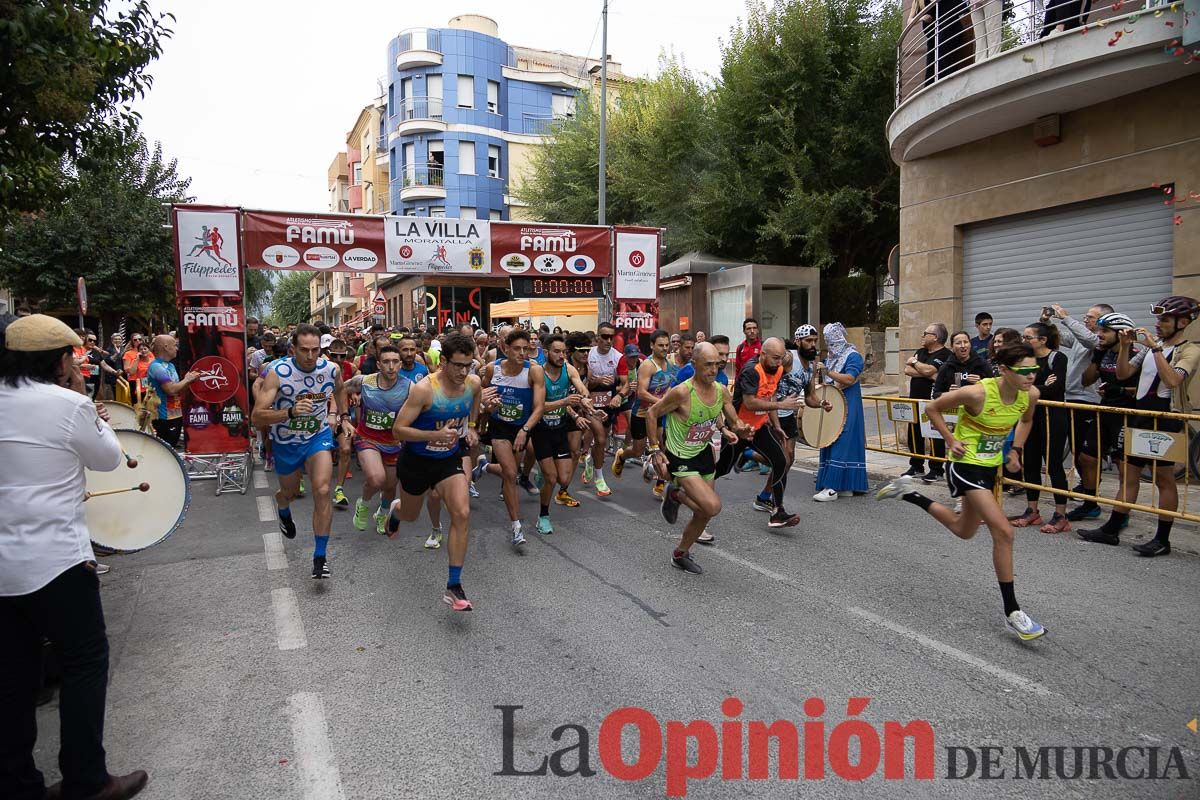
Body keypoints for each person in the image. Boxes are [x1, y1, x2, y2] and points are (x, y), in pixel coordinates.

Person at [0, 315, 149, 800]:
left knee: (13, 677)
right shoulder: (68, 404)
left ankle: (19, 784)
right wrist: (84, 399)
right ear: (64, 360)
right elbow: (108, 458)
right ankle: (87, 779)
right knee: (84, 663)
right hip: (56, 560)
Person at [876, 341, 1047, 641]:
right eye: (1024, 371)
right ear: (1004, 370)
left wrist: (1016, 449)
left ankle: (907, 493)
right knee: (1004, 531)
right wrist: (950, 440)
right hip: (964, 465)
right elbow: (932, 408)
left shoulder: (1030, 395)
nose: (1031, 376)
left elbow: (1027, 420)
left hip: (988, 468)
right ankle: (1012, 612)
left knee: (963, 530)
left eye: (1035, 369)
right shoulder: (978, 392)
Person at [1078, 296, 1200, 556]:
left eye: (1164, 320)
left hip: (1165, 417)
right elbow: (1123, 374)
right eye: (1158, 319)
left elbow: (1173, 381)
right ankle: (1111, 529)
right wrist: (1124, 347)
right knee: (1130, 475)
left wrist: (1156, 349)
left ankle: (1163, 539)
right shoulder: (1147, 348)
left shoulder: (1189, 350)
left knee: (1164, 479)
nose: (1158, 324)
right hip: (1139, 414)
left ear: (1183, 322)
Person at [385, 333, 490, 611]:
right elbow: (398, 430)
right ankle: (396, 511)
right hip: (416, 462)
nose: (463, 372)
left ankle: (453, 586)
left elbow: (477, 397)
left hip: (448, 460)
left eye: (468, 365)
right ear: (442, 361)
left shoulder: (473, 383)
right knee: (410, 514)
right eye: (457, 365)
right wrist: (434, 434)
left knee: (462, 512)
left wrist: (473, 427)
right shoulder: (424, 389)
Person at [251, 324, 351, 580]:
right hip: (286, 442)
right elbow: (257, 415)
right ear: (293, 348)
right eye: (304, 350)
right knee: (290, 493)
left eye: (315, 350)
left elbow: (340, 389)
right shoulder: (278, 372)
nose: (310, 356)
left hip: (317, 437)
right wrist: (290, 412)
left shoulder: (330, 369)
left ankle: (320, 557)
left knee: (323, 490)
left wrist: (343, 415)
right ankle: (283, 508)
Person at [648, 342, 750, 574]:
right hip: (681, 456)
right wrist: (655, 449)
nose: (713, 370)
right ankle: (676, 493)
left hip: (703, 453)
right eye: (708, 365)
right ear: (694, 364)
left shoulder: (721, 390)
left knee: (703, 514)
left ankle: (680, 554)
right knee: (712, 506)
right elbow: (653, 413)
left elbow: (734, 420)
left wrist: (738, 429)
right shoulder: (682, 392)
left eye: (717, 365)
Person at [724, 337, 806, 528]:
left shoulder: (776, 370)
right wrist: (781, 404)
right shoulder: (751, 371)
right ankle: (683, 487)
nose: (779, 363)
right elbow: (750, 402)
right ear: (763, 354)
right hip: (739, 428)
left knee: (781, 461)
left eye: (781, 358)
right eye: (775, 358)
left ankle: (777, 512)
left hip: (759, 428)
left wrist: (776, 425)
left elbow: (769, 396)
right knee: (720, 469)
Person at [1069, 312, 1139, 522]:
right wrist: (1096, 358)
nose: (1099, 334)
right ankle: (1090, 504)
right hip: (1105, 412)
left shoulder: (1137, 353)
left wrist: (1120, 390)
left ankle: (1121, 513)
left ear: (1121, 334)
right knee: (1086, 457)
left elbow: (1143, 388)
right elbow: (1086, 380)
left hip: (1127, 416)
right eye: (1099, 330)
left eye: (1105, 331)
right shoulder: (1104, 353)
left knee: (1123, 466)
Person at [479, 328, 546, 546]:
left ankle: (485, 467)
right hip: (499, 428)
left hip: (521, 428)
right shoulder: (492, 369)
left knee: (512, 474)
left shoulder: (533, 371)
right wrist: (487, 405)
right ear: (504, 348)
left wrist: (525, 430)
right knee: (509, 473)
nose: (522, 353)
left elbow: (539, 407)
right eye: (516, 348)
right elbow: (480, 399)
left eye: (525, 349)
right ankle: (516, 526)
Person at [1007, 322, 1070, 533]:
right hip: (1030, 416)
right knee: (1031, 463)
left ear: (1042, 340)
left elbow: (1056, 389)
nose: (1024, 341)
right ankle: (1032, 510)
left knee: (1053, 465)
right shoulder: (1027, 360)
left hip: (1053, 418)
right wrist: (1039, 387)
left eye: (1028, 337)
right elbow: (1018, 386)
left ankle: (1061, 514)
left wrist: (1033, 388)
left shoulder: (1057, 358)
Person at [1047, 303, 1106, 514]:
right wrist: (1046, 322)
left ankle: (1091, 500)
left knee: (1086, 454)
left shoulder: (1098, 340)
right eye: (1086, 316)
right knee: (1077, 450)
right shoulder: (1081, 339)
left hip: (1087, 400)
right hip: (1070, 398)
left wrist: (1065, 317)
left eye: (1091, 317)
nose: (1085, 319)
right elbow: (1059, 339)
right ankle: (1088, 494)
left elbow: (1091, 340)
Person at [530, 334, 593, 535]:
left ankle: (543, 471)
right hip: (541, 429)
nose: (561, 356)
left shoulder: (569, 368)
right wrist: (564, 402)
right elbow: (538, 406)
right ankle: (543, 516)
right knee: (551, 478)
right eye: (556, 352)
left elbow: (582, 389)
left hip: (560, 428)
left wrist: (585, 401)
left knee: (564, 479)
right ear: (546, 352)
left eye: (564, 352)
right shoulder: (538, 373)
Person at [345, 345, 411, 536]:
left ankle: (382, 514)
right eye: (386, 362)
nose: (391, 366)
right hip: (367, 439)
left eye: (395, 362)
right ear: (379, 364)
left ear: (400, 364)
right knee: (376, 479)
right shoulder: (364, 381)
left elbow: (425, 406)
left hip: (394, 444)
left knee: (390, 486)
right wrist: (342, 414)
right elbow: (339, 388)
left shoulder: (409, 387)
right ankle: (363, 504)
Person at [612, 330, 676, 497]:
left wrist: (668, 399)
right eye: (660, 345)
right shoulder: (648, 366)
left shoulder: (668, 363)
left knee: (662, 445)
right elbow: (641, 393)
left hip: (658, 413)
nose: (664, 348)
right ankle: (621, 455)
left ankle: (661, 482)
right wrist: (662, 402)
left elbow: (668, 386)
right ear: (652, 346)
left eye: (666, 345)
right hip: (641, 414)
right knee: (638, 451)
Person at [813, 323, 870, 501]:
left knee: (843, 441)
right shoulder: (832, 357)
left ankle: (832, 487)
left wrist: (827, 371)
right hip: (834, 403)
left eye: (831, 339)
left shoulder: (853, 356)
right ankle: (846, 485)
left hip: (849, 404)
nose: (829, 343)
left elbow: (850, 378)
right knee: (830, 438)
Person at [582, 321, 627, 498]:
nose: (609, 340)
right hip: (590, 402)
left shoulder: (618, 357)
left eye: (611, 337)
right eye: (605, 337)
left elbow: (625, 385)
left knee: (602, 439)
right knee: (600, 438)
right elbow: (585, 381)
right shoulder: (589, 354)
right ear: (597, 338)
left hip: (608, 404)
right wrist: (598, 382)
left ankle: (590, 461)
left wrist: (619, 396)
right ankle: (599, 479)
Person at [903, 323, 952, 483]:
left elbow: (930, 371)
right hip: (915, 400)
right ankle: (916, 465)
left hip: (932, 402)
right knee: (914, 433)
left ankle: (936, 469)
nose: (922, 336)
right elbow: (907, 370)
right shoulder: (921, 351)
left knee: (934, 435)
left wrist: (916, 363)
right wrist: (926, 371)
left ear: (935, 337)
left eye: (925, 333)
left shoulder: (945, 354)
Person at [146, 334, 199, 449]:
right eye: (175, 345)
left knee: (173, 447)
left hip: (175, 413)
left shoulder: (170, 365)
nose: (177, 348)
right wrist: (187, 379)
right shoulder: (156, 367)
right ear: (166, 347)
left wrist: (188, 380)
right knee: (166, 450)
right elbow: (170, 389)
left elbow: (178, 389)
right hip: (163, 417)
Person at [932, 330, 990, 399]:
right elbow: (935, 394)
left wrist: (981, 383)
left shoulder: (982, 364)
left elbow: (994, 389)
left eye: (965, 342)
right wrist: (948, 394)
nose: (963, 346)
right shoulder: (945, 367)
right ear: (952, 346)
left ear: (970, 344)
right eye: (958, 343)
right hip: (955, 407)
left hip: (976, 407)